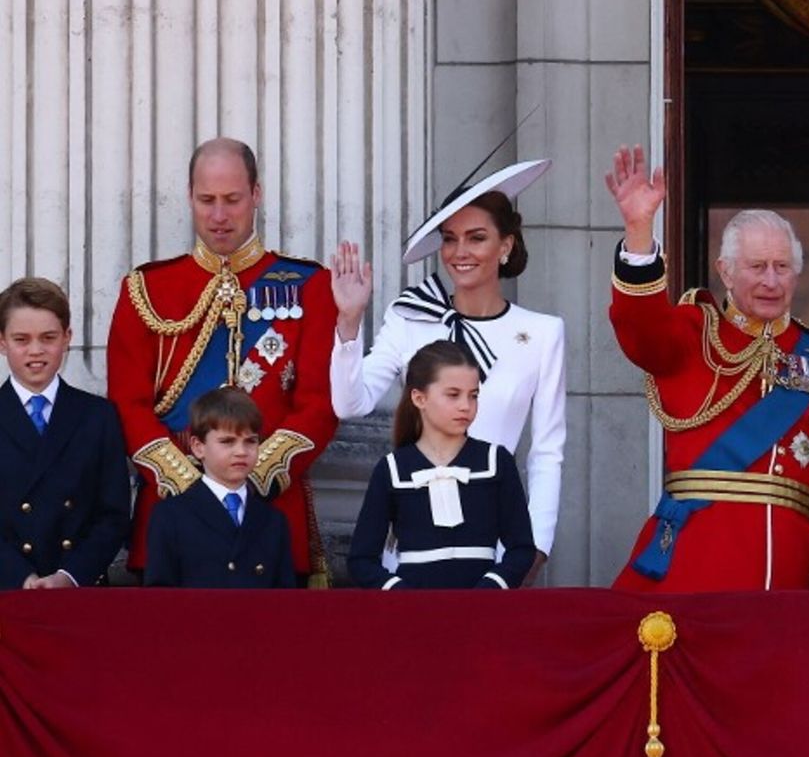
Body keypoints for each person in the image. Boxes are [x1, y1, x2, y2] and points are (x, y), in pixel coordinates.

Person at [605, 145, 809, 591]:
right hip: (696, 562)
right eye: (757, 267)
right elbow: (639, 328)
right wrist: (639, 230)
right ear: (725, 270)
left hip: (790, 572)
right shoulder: (692, 331)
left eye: (783, 267)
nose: (771, 281)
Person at [107, 138, 339, 584]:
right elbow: (126, 402)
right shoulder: (147, 288)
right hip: (171, 514)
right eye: (206, 200)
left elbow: (319, 402)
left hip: (270, 512)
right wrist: (190, 485)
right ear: (190, 197)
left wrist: (253, 474)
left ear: (256, 194)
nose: (218, 216)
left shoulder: (309, 286)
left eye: (232, 200)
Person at [330, 159, 561, 576]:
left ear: (505, 245)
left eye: (477, 238)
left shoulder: (542, 333)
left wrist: (534, 549)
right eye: (450, 239)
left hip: (494, 547)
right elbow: (350, 404)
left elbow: (546, 452)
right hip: (412, 543)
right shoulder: (410, 316)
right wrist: (348, 322)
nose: (460, 252)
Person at [346, 341, 536, 589]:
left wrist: (490, 588)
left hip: (484, 614)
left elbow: (521, 549)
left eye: (473, 395)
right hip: (416, 616)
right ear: (419, 398)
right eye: (453, 394)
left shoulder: (495, 461)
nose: (465, 406)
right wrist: (401, 593)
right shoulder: (392, 469)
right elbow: (361, 560)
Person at [0, 278, 131, 589]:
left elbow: (113, 514)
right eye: (21, 339)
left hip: (79, 589)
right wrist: (21, 577)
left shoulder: (98, 416)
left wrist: (69, 577)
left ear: (67, 337)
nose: (36, 350)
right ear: (2, 342)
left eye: (48, 337)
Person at [145, 388, 296, 587]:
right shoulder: (171, 515)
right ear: (198, 447)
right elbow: (159, 596)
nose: (241, 452)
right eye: (228, 442)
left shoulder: (273, 521)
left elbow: (283, 601)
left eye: (250, 441)